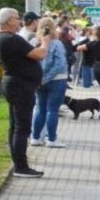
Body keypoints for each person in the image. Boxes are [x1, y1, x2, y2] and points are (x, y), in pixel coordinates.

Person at [0, 8, 48, 177]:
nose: (19, 21)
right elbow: (38, 54)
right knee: (22, 127)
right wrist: (45, 42)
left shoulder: (4, 39)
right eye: (17, 18)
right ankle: (21, 166)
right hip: (20, 86)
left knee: (15, 125)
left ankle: (18, 163)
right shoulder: (12, 39)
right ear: (9, 21)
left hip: (15, 83)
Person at [30, 17, 70, 148]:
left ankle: (35, 137)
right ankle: (51, 139)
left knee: (40, 109)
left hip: (39, 80)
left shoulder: (35, 42)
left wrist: (41, 78)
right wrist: (48, 78)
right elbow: (60, 64)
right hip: (57, 80)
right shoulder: (57, 44)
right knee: (52, 110)